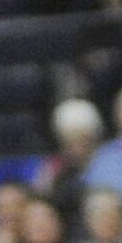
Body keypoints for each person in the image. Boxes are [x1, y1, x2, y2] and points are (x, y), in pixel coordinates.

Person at [34, 97, 103, 232]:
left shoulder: (103, 161)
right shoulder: (53, 165)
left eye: (82, 138)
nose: (76, 146)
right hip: (62, 222)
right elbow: (41, 193)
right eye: (70, 139)